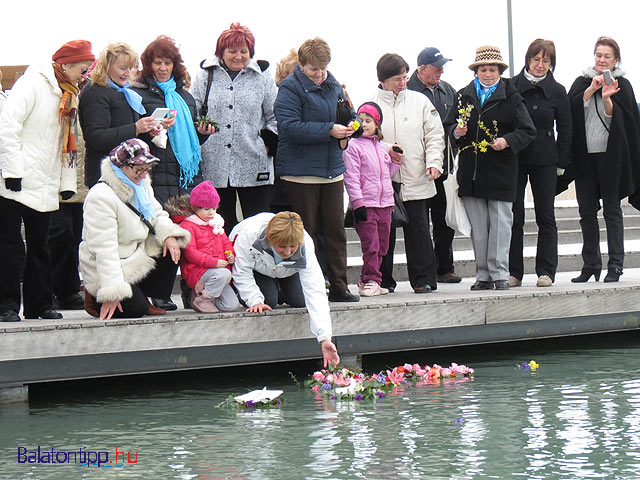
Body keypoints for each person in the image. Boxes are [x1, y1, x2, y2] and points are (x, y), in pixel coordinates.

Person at [0, 40, 95, 322]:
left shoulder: (69, 93)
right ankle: (5, 305)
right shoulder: (32, 84)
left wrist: (66, 184)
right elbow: (7, 127)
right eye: (82, 68)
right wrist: (12, 172)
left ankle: (38, 305)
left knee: (41, 247)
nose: (85, 75)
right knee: (10, 246)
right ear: (66, 65)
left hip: (44, 182)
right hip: (13, 181)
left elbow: (66, 144)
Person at [274, 37, 359, 302]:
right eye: (314, 69)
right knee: (303, 233)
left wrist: (351, 126)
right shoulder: (289, 89)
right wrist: (328, 130)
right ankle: (299, 289)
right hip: (299, 174)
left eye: (323, 68)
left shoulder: (333, 84)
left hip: (332, 170)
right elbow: (288, 127)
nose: (320, 74)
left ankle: (339, 285)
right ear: (301, 65)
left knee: (335, 231)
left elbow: (348, 114)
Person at [444, 46, 535, 291]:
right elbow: (450, 127)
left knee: (501, 225)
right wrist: (456, 131)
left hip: (502, 171)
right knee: (479, 229)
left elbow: (527, 130)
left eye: (492, 69)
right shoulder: (463, 95)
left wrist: (507, 141)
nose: (487, 74)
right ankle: (483, 275)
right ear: (476, 71)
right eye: (483, 69)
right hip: (471, 173)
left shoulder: (512, 96)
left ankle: (500, 273)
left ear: (499, 71)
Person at [79, 139, 191, 320]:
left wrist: (168, 235)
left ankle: (140, 293)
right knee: (134, 310)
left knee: (174, 243)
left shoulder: (141, 182)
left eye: (146, 169)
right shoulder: (100, 197)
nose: (142, 174)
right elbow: (104, 249)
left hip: (136, 254)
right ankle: (94, 296)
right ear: (122, 166)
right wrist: (111, 292)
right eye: (138, 169)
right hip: (110, 266)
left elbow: (157, 214)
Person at [191, 23, 278, 233]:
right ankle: (223, 265)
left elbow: (275, 116)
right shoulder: (205, 74)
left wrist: (267, 143)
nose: (238, 56)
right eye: (232, 51)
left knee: (258, 227)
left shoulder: (262, 76)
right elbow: (193, 110)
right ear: (222, 52)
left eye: (243, 51)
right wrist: (200, 129)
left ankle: (256, 267)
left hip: (254, 161)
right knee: (219, 226)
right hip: (214, 163)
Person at [567, 37, 640, 283]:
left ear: (616, 59)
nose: (602, 60)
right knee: (586, 212)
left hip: (612, 159)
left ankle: (616, 265)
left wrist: (608, 97)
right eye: (598, 55)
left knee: (612, 210)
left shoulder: (624, 85)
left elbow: (625, 124)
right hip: (585, 158)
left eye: (607, 56)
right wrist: (590, 92)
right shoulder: (581, 83)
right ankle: (590, 265)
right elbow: (571, 116)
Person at [230, 211, 340, 367]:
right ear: (271, 239)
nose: (288, 252)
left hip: (288, 270)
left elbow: (315, 290)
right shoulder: (249, 234)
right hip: (258, 270)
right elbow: (241, 272)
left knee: (299, 300)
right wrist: (254, 300)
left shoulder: (306, 243)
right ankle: (270, 290)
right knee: (269, 301)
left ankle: (280, 288)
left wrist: (325, 337)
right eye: (282, 246)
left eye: (293, 247)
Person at [373, 53, 445, 294]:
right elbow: (364, 139)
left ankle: (424, 279)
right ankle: (383, 280)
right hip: (384, 180)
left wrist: (435, 162)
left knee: (419, 230)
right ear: (382, 80)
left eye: (404, 77)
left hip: (416, 175)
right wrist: (387, 150)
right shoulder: (371, 104)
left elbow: (435, 136)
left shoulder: (420, 101)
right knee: (384, 233)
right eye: (396, 79)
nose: (402, 83)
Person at [509, 39, 572, 288]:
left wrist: (561, 163)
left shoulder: (557, 90)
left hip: (546, 159)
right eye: (536, 59)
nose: (540, 64)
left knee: (546, 216)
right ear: (528, 59)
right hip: (516, 157)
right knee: (514, 216)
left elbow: (565, 129)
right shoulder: (512, 86)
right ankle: (514, 272)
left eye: (546, 60)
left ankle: (546, 271)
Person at [132, 35, 214, 206]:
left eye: (167, 63)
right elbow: (133, 139)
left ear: (174, 66)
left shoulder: (186, 98)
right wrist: (154, 130)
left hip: (187, 176)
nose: (163, 68)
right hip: (156, 174)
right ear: (149, 65)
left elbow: (192, 141)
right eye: (157, 63)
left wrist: (202, 133)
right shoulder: (137, 95)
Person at [407, 47, 461, 284]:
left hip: (443, 164)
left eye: (442, 66)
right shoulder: (407, 90)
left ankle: (445, 267)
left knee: (443, 218)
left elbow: (452, 124)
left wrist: (456, 135)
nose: (441, 71)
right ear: (422, 69)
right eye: (436, 67)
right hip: (414, 167)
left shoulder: (448, 90)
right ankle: (425, 271)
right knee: (419, 221)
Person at [79, 42, 160, 188]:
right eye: (123, 68)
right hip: (106, 174)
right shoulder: (94, 93)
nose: (128, 73)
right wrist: (135, 128)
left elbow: (128, 133)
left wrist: (148, 131)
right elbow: (96, 137)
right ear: (106, 66)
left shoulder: (126, 93)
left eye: (131, 68)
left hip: (129, 172)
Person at [343, 102, 401, 296]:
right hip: (366, 205)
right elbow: (351, 177)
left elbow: (387, 174)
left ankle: (365, 279)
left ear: (377, 124)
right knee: (371, 245)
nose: (364, 124)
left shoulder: (381, 148)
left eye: (369, 120)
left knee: (383, 246)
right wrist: (357, 203)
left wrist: (396, 161)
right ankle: (372, 280)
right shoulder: (353, 146)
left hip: (385, 204)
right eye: (361, 120)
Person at [178, 181, 241, 313]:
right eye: (206, 209)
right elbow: (190, 253)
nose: (211, 212)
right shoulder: (188, 226)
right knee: (224, 273)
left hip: (218, 272)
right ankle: (202, 299)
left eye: (214, 208)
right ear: (195, 208)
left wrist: (230, 254)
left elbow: (226, 243)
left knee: (231, 306)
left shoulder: (216, 224)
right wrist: (214, 262)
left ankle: (206, 295)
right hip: (198, 271)